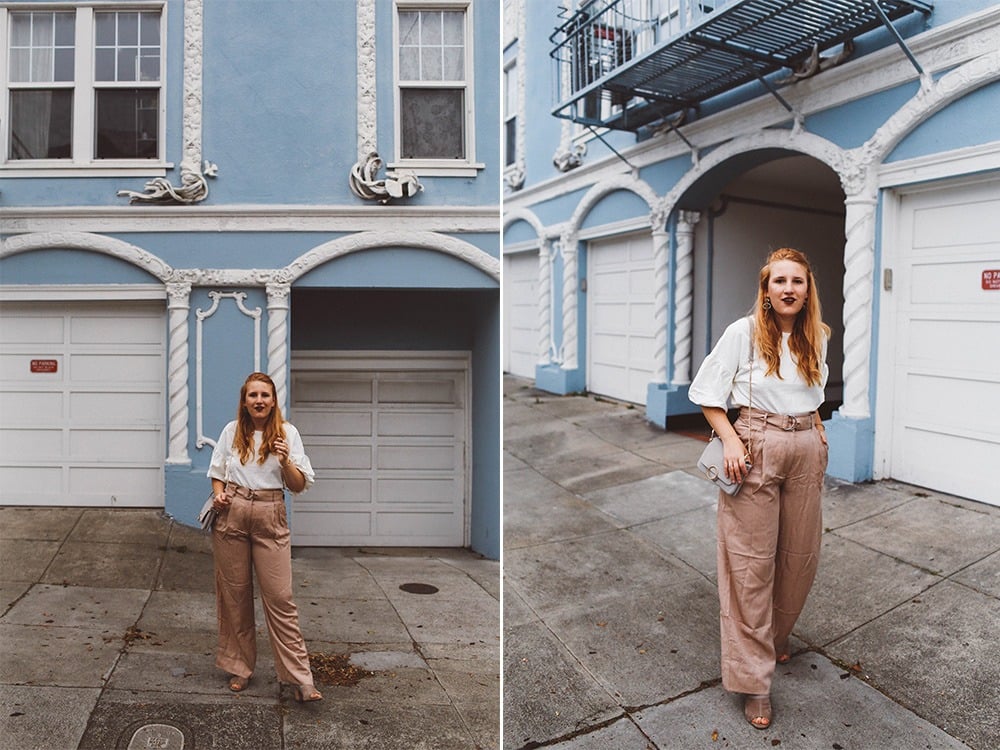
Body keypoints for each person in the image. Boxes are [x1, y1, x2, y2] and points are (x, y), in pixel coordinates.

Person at [688, 248, 830, 730]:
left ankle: (776, 635)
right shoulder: (742, 333)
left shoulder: (818, 337)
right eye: (780, 281)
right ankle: (754, 683)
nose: (789, 289)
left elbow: (814, 395)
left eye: (798, 281)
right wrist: (729, 438)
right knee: (750, 565)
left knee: (800, 556)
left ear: (808, 290)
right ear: (766, 290)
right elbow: (707, 393)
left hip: (806, 444)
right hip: (753, 445)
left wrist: (817, 432)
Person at [207, 372, 323, 702]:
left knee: (281, 598)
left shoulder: (288, 433)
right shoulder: (232, 431)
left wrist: (285, 460)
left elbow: (298, 485)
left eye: (265, 395)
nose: (259, 400)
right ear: (244, 401)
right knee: (235, 596)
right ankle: (240, 668)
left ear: (273, 401)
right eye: (253, 395)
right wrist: (218, 495)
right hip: (233, 513)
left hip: (271, 514)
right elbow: (217, 475)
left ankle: (300, 677)